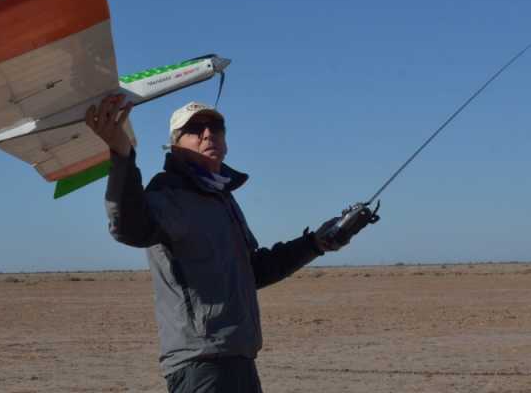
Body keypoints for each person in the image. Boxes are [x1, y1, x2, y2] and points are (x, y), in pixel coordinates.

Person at [85, 95, 365, 393]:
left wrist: (315, 243)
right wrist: (122, 154)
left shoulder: (221, 199)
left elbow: (252, 270)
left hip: (239, 359)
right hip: (201, 364)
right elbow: (128, 228)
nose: (208, 134)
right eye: (194, 129)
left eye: (216, 127)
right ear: (175, 144)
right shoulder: (169, 191)